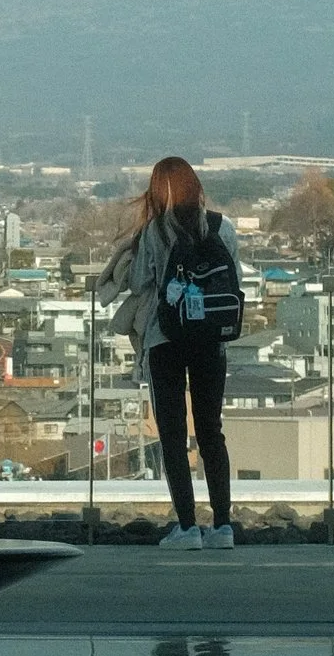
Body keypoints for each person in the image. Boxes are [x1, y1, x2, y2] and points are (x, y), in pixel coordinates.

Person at [99, 155, 240, 548]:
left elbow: (142, 280)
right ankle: (224, 526)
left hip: (166, 339)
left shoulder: (155, 232)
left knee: (173, 434)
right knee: (211, 429)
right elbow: (236, 280)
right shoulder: (222, 227)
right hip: (212, 340)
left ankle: (187, 527)